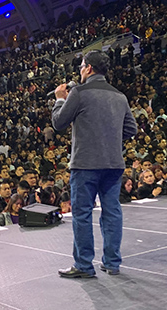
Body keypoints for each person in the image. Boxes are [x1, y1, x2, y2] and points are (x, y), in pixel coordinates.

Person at [52, 50, 137, 278]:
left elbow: (59, 123)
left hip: (85, 164)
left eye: (81, 66)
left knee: (82, 214)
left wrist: (59, 99)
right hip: (113, 163)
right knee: (112, 211)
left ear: (89, 68)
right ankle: (112, 263)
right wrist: (109, 138)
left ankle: (83, 265)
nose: (80, 70)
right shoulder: (120, 96)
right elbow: (131, 129)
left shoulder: (79, 93)